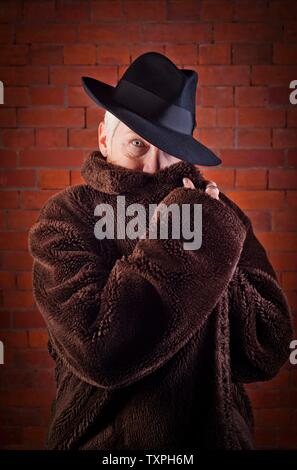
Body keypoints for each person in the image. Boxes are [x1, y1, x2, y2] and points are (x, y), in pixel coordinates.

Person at [28, 52, 293, 450]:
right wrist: (184, 241)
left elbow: (267, 349)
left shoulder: (217, 216)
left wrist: (211, 241)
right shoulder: (68, 217)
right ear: (104, 138)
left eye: (169, 150)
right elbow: (99, 349)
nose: (154, 166)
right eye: (137, 143)